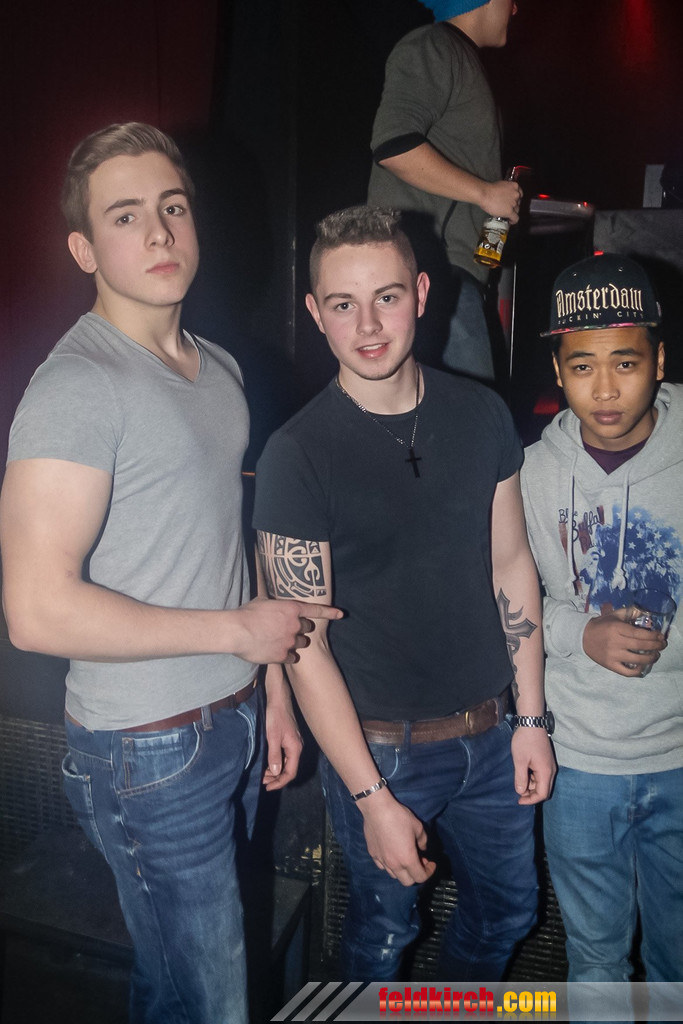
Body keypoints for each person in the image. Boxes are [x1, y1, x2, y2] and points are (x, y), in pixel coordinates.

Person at [0, 122, 340, 1024]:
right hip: (145, 750)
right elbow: (35, 611)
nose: (157, 232)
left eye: (172, 207)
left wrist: (268, 688)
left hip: (230, 718)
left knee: (175, 986)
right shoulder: (77, 388)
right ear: (84, 249)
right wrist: (237, 634)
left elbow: (222, 548)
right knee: (216, 1004)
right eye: (124, 216)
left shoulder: (217, 368)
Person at [253, 205, 555, 982]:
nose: (367, 326)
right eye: (343, 304)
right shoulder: (296, 454)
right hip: (381, 749)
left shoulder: (481, 414)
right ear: (315, 312)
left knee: (509, 914)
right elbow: (303, 644)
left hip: (492, 733)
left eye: (385, 297)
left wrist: (529, 719)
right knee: (381, 940)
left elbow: (511, 565)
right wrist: (369, 797)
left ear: (420, 293)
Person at [520, 253, 683, 985]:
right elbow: (514, 595)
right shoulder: (531, 473)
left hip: (679, 753)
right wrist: (578, 633)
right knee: (592, 962)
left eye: (626, 362)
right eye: (582, 366)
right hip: (579, 757)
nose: (606, 388)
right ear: (558, 373)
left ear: (658, 361)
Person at [367, 0, 522, 382]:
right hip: (434, 274)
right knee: (473, 413)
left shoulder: (461, 57)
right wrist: (486, 193)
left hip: (454, 278)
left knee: (467, 410)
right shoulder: (432, 46)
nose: (515, 9)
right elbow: (393, 146)